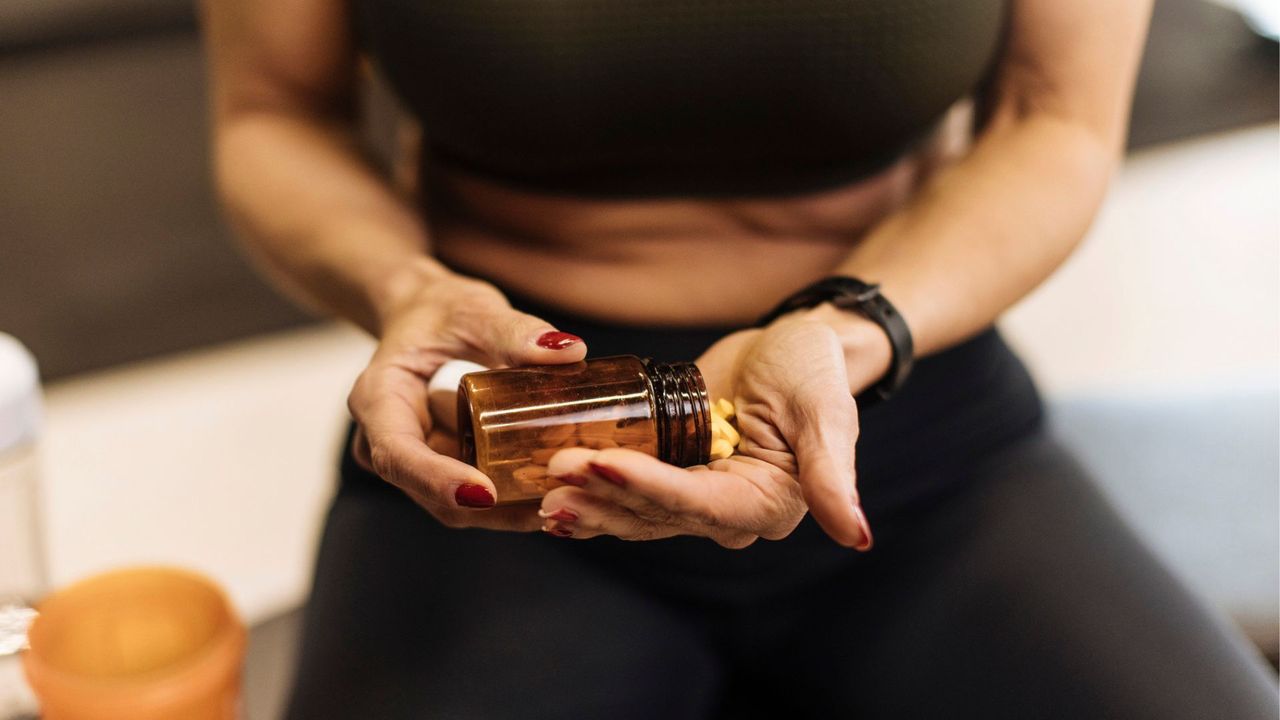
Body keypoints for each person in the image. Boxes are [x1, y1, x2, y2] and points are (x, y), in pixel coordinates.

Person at [202, 1, 1279, 717]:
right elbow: (271, 113)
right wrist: (406, 290)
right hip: (509, 452)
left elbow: (1055, 121)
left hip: (894, 404)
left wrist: (845, 327)